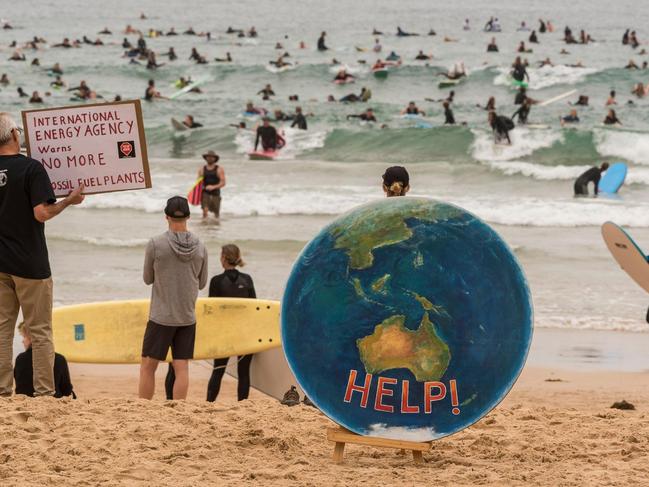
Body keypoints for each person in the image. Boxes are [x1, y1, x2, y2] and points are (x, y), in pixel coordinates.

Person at [0, 112, 85, 397]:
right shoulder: (31, 168)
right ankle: (44, 393)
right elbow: (42, 213)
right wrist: (69, 202)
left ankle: (1, 390)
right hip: (29, 263)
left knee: (2, 329)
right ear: (14, 136)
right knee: (40, 331)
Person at [166, 245, 257, 402]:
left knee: (218, 369)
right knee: (244, 372)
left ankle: (209, 403)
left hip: (224, 333)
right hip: (244, 332)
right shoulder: (247, 280)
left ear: (223, 258)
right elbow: (254, 306)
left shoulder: (217, 281)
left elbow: (211, 310)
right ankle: (243, 405)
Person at [139, 196, 208, 400]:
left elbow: (147, 278)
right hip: (187, 317)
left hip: (161, 316)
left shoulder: (155, 244)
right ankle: (179, 409)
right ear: (188, 216)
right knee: (181, 367)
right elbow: (202, 283)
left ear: (166, 216)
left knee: (147, 367)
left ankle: (143, 408)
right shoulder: (201, 247)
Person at [14, 322, 75, 398]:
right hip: (53, 399)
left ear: (31, 338)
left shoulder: (20, 358)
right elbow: (67, 390)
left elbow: (19, 388)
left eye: (24, 337)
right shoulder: (59, 359)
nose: (22, 341)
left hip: (25, 400)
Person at [198, 151, 225, 219]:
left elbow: (223, 183)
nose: (209, 158)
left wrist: (213, 187)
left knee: (216, 214)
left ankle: (215, 227)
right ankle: (204, 226)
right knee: (205, 211)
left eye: (211, 157)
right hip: (205, 193)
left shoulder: (219, 169)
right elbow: (198, 183)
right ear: (206, 158)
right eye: (208, 157)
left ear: (214, 158)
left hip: (216, 193)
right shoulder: (201, 169)